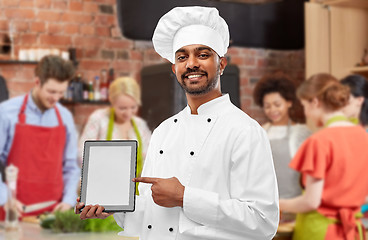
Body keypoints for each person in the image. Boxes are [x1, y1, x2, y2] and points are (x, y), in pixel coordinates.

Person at [75, 6, 279, 240]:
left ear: (221, 64)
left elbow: (263, 221)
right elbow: (150, 216)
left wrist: (185, 197)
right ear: (174, 69)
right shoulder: (164, 131)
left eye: (202, 55)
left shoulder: (245, 131)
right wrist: (114, 207)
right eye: (182, 57)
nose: (191, 63)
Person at [279, 73, 368, 240]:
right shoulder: (363, 136)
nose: (306, 113)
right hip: (353, 231)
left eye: (304, 105)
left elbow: (312, 201)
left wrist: (278, 204)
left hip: (319, 231)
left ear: (315, 102)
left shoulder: (319, 141)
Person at [0, 55, 80, 218]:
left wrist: (68, 201)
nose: (56, 98)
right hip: (14, 209)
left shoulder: (64, 117)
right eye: (51, 91)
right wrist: (4, 197)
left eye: (61, 93)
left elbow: (71, 166)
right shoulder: (7, 112)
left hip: (53, 213)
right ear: (37, 82)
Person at [78, 77, 151, 186]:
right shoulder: (99, 119)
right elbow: (82, 154)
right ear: (112, 102)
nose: (128, 113)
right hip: (102, 184)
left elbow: (150, 157)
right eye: (122, 108)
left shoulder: (140, 125)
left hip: (134, 189)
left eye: (133, 107)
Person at [253, 72, 311, 199]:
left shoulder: (302, 133)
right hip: (267, 204)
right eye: (267, 106)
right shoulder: (260, 132)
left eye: (277, 104)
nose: (272, 110)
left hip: (294, 203)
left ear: (289, 102)